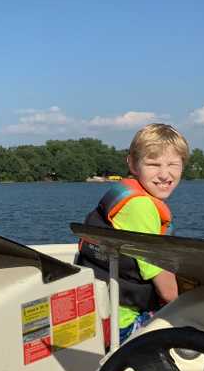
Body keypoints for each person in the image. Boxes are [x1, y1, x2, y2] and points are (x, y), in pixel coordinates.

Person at [78, 123, 190, 343]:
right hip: (124, 324)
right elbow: (168, 292)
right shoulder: (140, 207)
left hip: (103, 313)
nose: (164, 174)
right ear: (132, 164)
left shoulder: (126, 194)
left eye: (173, 164)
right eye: (153, 164)